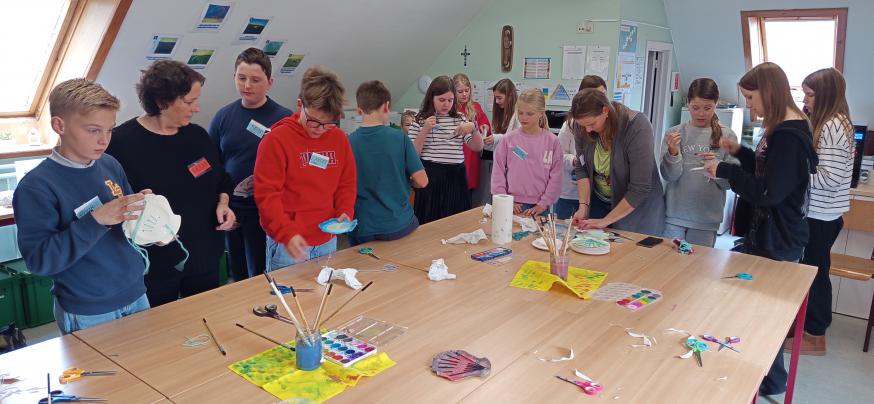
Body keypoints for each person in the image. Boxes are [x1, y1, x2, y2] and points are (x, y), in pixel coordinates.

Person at [702, 62, 818, 396]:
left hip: (778, 239)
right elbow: (769, 172)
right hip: (768, 235)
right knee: (757, 312)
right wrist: (740, 153)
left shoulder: (789, 136)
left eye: (751, 98)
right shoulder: (780, 129)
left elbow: (768, 192)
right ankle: (767, 375)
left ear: (768, 92)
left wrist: (726, 170)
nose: (750, 105)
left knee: (766, 316)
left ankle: (770, 378)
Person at [14, 79, 151, 333]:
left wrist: (148, 216)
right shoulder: (36, 187)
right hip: (89, 308)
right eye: (93, 130)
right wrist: (96, 221)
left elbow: (129, 227)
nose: (104, 140)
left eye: (110, 130)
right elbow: (40, 261)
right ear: (59, 125)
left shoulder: (110, 164)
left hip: (135, 292)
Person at [107, 60, 235, 307]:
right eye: (188, 102)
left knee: (206, 320)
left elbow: (222, 180)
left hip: (204, 256)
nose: (196, 108)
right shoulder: (121, 144)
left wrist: (224, 203)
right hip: (153, 265)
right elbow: (114, 205)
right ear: (161, 101)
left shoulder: (197, 136)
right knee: (158, 327)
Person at [254, 66, 356, 269]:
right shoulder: (276, 140)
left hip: (327, 239)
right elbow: (267, 195)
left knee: (324, 288)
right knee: (289, 290)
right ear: (300, 104)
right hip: (289, 243)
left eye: (328, 123)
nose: (320, 130)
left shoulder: (339, 139)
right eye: (314, 122)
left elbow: (346, 182)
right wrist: (285, 233)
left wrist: (345, 211)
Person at [786, 68, 854, 355]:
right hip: (819, 214)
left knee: (814, 275)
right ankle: (806, 327)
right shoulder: (829, 122)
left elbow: (829, 178)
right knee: (811, 271)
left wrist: (791, 172)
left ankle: (815, 335)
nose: (806, 100)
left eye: (810, 95)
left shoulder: (833, 126)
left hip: (821, 216)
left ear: (826, 95)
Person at [209, 48, 291, 280]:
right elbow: (213, 165)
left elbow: (294, 167)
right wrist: (221, 205)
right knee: (238, 272)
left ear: (269, 82)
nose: (247, 85)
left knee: (264, 272)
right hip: (232, 208)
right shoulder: (223, 116)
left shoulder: (284, 119)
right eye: (241, 78)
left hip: (268, 210)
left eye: (255, 80)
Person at [569, 89, 665, 235]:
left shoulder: (636, 126)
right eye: (583, 125)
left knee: (627, 248)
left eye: (592, 123)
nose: (587, 130)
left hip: (637, 210)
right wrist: (583, 206)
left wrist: (605, 221)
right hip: (601, 202)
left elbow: (640, 188)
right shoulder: (581, 125)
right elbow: (582, 168)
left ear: (605, 110)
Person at [660, 78, 739, 247]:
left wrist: (718, 169)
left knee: (698, 263)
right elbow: (669, 176)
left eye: (707, 108)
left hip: (706, 220)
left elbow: (730, 184)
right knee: (668, 261)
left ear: (716, 103)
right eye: (695, 108)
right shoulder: (674, 133)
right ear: (688, 103)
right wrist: (673, 153)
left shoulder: (728, 136)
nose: (701, 113)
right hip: (674, 216)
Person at [348, 80, 428, 245]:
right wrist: (406, 181)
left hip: (363, 228)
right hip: (399, 224)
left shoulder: (348, 143)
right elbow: (422, 181)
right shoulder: (400, 138)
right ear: (386, 106)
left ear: (358, 109)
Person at [408, 75, 483, 223]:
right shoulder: (419, 119)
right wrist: (425, 130)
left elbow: (477, 146)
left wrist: (474, 129)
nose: (446, 104)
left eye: (450, 100)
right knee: (429, 220)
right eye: (441, 100)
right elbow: (413, 154)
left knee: (457, 221)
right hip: (431, 175)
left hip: (456, 176)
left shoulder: (460, 118)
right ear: (432, 98)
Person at [491, 88, 563, 216]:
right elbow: (497, 172)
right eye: (520, 113)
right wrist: (504, 199)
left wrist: (543, 204)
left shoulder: (552, 142)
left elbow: (556, 178)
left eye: (529, 114)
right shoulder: (508, 140)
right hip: (512, 205)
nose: (523, 118)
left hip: (540, 208)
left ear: (541, 113)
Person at [555, 75, 607, 219]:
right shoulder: (571, 125)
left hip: (595, 195)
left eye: (603, 95)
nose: (600, 100)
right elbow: (558, 155)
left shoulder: (605, 126)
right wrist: (573, 160)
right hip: (570, 194)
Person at [476, 78, 519, 206]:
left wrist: (497, 138)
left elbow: (517, 144)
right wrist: (487, 139)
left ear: (510, 96)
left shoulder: (518, 115)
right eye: (495, 97)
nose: (496, 101)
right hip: (502, 167)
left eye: (499, 98)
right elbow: (502, 142)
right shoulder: (503, 114)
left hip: (514, 168)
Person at [453, 73, 491, 196]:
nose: (464, 94)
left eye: (467, 90)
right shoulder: (450, 108)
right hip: (456, 152)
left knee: (467, 191)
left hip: (471, 153)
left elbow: (485, 125)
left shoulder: (475, 107)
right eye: (460, 91)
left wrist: (484, 128)